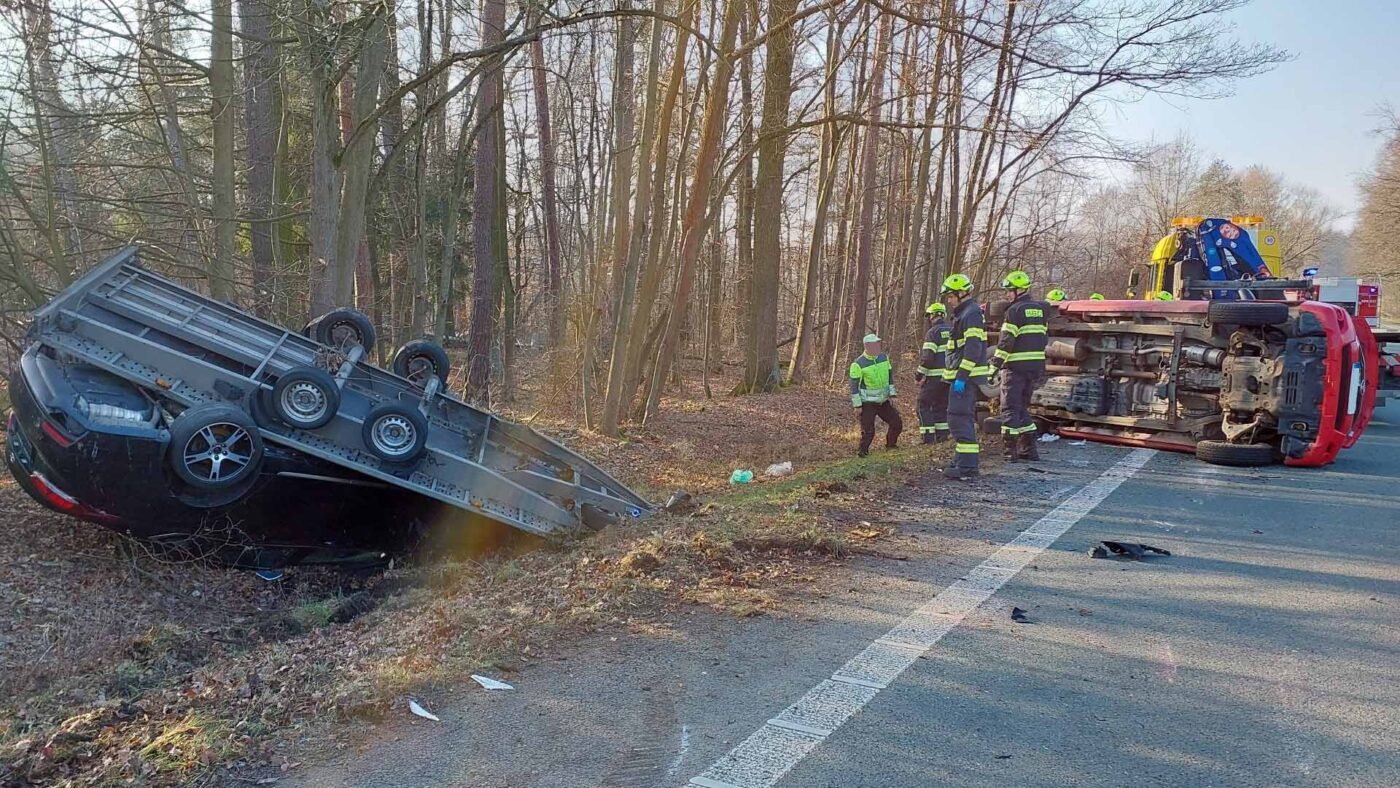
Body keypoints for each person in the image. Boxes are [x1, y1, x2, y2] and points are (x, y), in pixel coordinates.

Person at [992, 270, 1049, 462]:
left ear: (1020, 290)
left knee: (1009, 409)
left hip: (1014, 368)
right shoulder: (1041, 310)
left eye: (1010, 291)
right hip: (1034, 368)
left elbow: (1006, 342)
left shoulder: (1014, 311)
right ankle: (1029, 450)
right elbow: (1043, 338)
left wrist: (995, 366)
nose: (1007, 294)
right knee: (1022, 408)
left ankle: (1010, 453)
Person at [940, 274, 989, 480]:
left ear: (961, 294)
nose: (948, 301)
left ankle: (967, 467)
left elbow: (973, 348)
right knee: (960, 418)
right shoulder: (966, 313)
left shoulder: (971, 314)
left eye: (950, 296)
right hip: (963, 377)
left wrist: (961, 376)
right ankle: (962, 460)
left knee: (959, 419)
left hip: (965, 379)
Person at [849, 333, 902, 457]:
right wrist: (857, 405)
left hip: (883, 401)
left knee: (897, 423)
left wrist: (892, 395)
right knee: (868, 432)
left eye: (878, 344)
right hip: (867, 403)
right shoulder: (858, 364)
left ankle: (891, 445)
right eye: (874, 345)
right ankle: (862, 453)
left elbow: (889, 378)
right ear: (866, 346)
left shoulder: (884, 357)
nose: (877, 347)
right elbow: (853, 387)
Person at [915, 303, 953, 444]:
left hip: (934, 378)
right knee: (941, 406)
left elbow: (927, 358)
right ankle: (942, 436)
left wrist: (919, 375)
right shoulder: (952, 330)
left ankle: (928, 438)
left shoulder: (932, 333)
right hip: (949, 378)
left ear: (932, 316)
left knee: (922, 405)